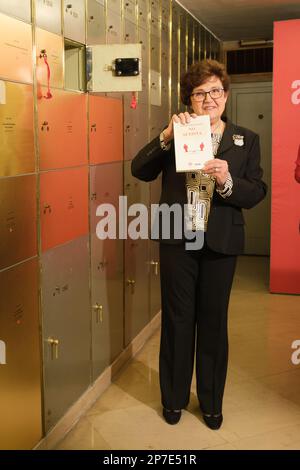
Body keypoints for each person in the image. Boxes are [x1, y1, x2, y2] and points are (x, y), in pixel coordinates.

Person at [131, 59, 267, 429]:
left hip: (221, 242)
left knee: (213, 322)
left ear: (226, 95)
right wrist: (165, 136)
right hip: (179, 237)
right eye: (200, 92)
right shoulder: (176, 135)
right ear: (189, 99)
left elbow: (257, 191)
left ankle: (210, 402)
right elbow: (139, 169)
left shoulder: (245, 139)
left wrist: (227, 181)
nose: (209, 99)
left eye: (216, 91)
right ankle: (173, 399)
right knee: (177, 321)